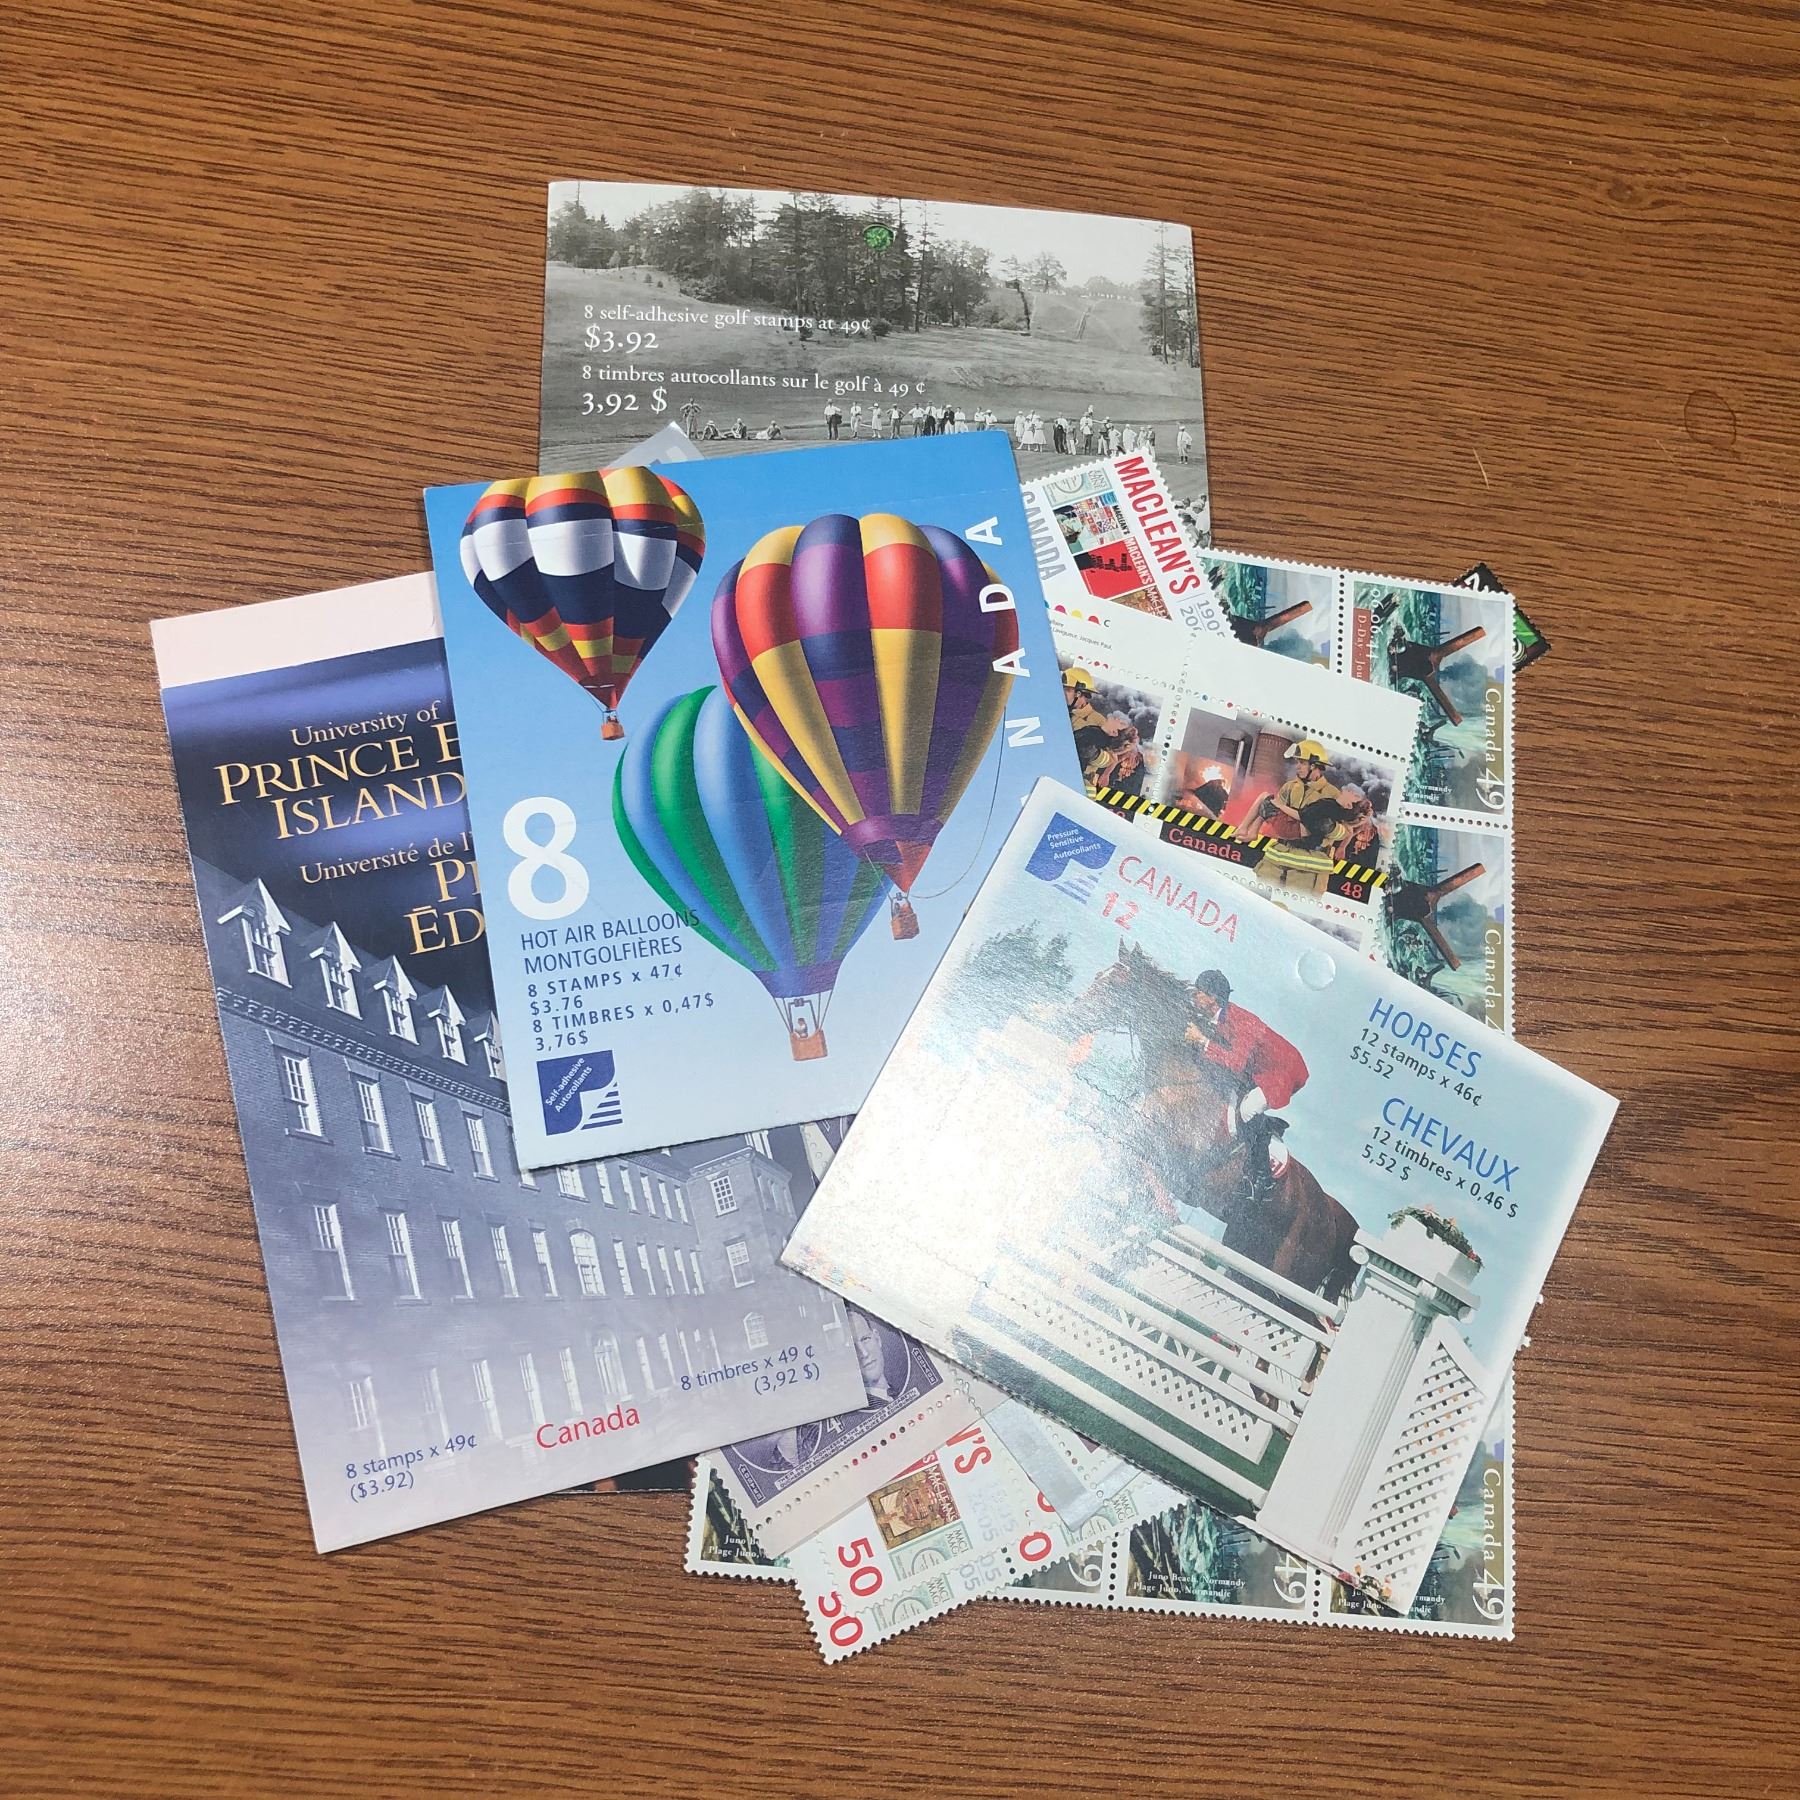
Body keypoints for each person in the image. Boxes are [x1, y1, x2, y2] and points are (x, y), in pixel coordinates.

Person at [1184, 969, 1310, 1199]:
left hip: (1283, 1072)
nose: (1194, 996)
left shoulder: (1243, 1021)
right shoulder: (1215, 1017)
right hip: (1254, 1071)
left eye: (1198, 992)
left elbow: (1235, 1062)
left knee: (1247, 1110)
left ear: (1212, 998)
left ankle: (1263, 1177)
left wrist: (1201, 1040)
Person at [1245, 739, 1339, 845]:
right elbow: (1274, 812)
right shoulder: (1289, 786)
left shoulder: (1333, 794)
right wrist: (1254, 830)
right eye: (1297, 762)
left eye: (1302, 763)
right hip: (1281, 846)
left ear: (1314, 766)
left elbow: (1339, 830)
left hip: (1310, 851)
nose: (1297, 766)